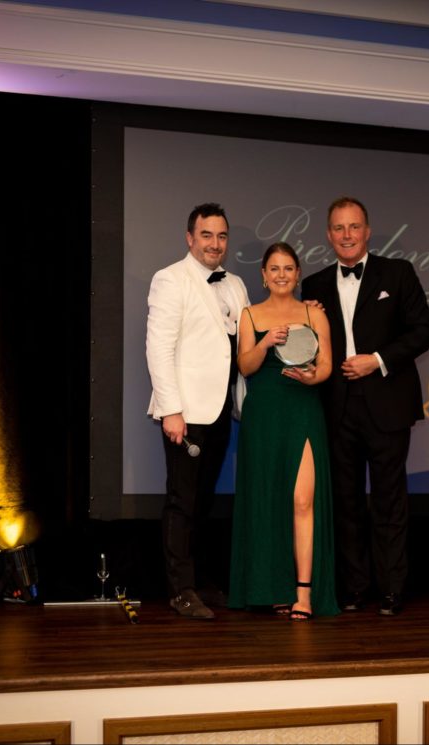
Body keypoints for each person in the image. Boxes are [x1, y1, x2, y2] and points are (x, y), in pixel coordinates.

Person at [301, 197, 429, 617]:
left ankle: (392, 588)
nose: (346, 235)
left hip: (387, 403)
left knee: (389, 501)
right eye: (338, 228)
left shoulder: (397, 272)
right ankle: (354, 588)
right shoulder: (316, 284)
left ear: (368, 231)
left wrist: (376, 360)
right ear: (328, 234)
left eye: (353, 227)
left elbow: (422, 333)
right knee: (345, 503)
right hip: (336, 407)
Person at [146, 202, 250, 619]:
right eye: (206, 235)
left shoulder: (237, 284)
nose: (215, 244)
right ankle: (180, 589)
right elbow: (159, 348)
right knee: (182, 500)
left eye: (222, 236)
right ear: (190, 238)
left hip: (222, 409)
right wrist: (171, 410)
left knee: (204, 501)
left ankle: (200, 581)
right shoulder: (170, 279)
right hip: (185, 413)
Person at [229, 242, 339, 620]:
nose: (281, 275)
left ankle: (304, 593)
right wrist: (265, 342)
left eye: (288, 268)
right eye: (274, 268)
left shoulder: (314, 313)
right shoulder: (249, 314)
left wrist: (313, 378)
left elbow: (326, 364)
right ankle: (276, 587)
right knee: (270, 501)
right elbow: (244, 366)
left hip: (302, 409)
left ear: (297, 273)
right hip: (263, 415)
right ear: (263, 274)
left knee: (302, 501)